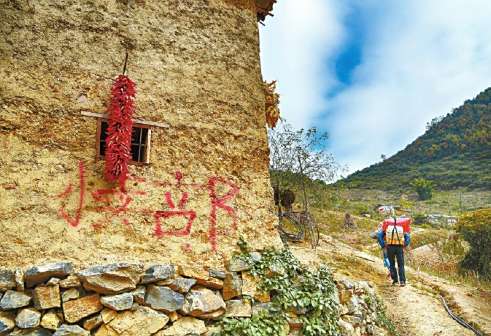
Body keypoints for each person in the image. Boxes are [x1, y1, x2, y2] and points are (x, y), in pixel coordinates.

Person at [377, 216, 411, 286]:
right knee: (401, 265)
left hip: (389, 247)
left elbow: (379, 235)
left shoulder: (387, 227)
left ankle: (395, 280)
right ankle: (402, 281)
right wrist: (404, 245)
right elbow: (408, 237)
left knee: (392, 264)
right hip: (399, 247)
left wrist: (383, 245)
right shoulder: (401, 227)